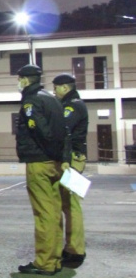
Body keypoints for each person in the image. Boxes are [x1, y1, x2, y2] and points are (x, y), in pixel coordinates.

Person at [15, 64, 67, 275]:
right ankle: (54, 259)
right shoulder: (51, 98)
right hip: (55, 163)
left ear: (26, 80)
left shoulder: (31, 100)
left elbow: (41, 131)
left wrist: (46, 152)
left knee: (43, 213)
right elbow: (64, 132)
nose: (18, 83)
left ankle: (44, 262)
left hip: (39, 162)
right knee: (54, 212)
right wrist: (58, 155)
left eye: (20, 79)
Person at [53, 73, 89, 268]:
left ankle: (75, 251)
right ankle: (72, 247)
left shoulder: (72, 105)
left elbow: (63, 128)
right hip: (73, 157)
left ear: (65, 88)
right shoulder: (73, 103)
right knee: (68, 205)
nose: (54, 91)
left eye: (56, 88)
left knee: (71, 205)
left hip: (72, 159)